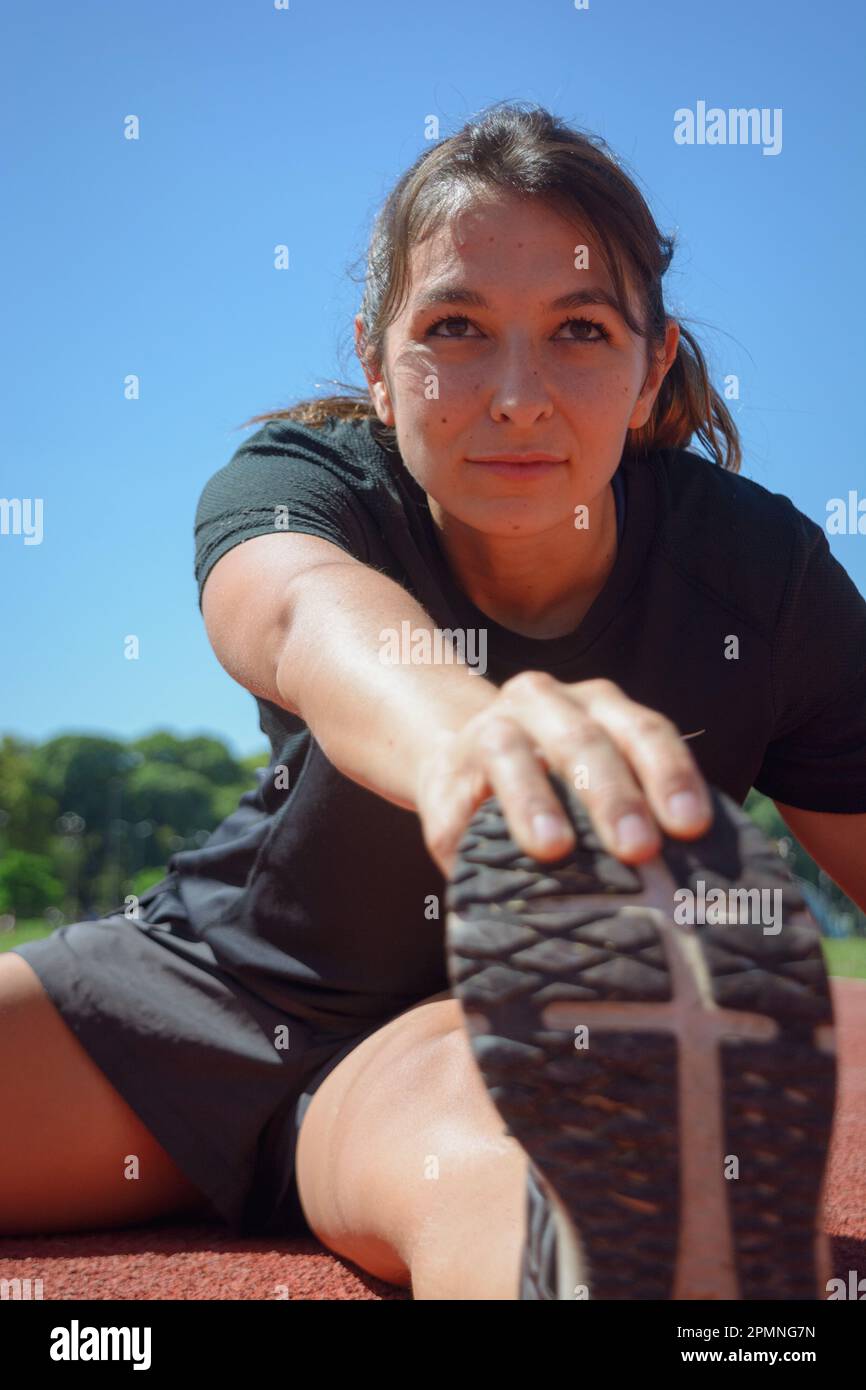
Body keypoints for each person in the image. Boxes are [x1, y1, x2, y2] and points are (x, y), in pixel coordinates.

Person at [3, 102, 865, 1300]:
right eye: (455, 327)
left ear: (648, 363)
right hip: (194, 999)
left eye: (577, 328)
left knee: (568, 1201)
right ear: (376, 360)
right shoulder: (308, 482)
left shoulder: (760, 582)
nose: (514, 395)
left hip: (456, 1055)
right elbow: (300, 613)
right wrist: (472, 735)